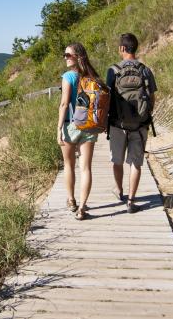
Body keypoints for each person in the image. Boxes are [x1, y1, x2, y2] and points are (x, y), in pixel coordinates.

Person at [106, 33, 157, 213]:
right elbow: (152, 97)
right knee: (136, 163)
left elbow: (108, 97)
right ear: (135, 48)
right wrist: (145, 114)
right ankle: (131, 201)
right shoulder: (145, 70)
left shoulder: (113, 70)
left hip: (117, 124)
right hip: (140, 124)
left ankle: (119, 190)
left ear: (122, 48)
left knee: (117, 160)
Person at [57, 43, 104, 220]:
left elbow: (63, 104)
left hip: (70, 124)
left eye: (68, 55)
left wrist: (59, 128)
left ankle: (71, 200)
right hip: (89, 125)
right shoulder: (92, 76)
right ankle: (82, 207)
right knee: (86, 168)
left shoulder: (68, 76)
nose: (65, 57)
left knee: (68, 165)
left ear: (77, 56)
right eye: (65, 55)